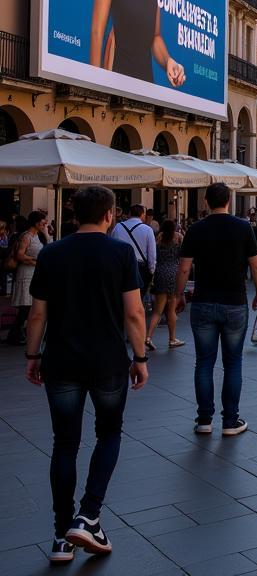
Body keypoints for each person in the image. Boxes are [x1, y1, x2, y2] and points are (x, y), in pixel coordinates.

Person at [24, 186, 148, 564]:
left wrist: (32, 354)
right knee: (109, 433)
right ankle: (89, 514)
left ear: (75, 213)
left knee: (64, 443)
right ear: (110, 215)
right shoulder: (121, 253)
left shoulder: (52, 253)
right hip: (108, 361)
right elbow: (134, 313)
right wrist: (140, 356)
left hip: (61, 360)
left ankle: (63, 535)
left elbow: (38, 313)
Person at [173, 183, 257, 436]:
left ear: (206, 201)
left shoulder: (196, 229)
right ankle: (230, 421)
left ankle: (204, 420)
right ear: (229, 200)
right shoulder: (243, 227)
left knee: (203, 362)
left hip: (203, 302)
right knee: (233, 363)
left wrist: (178, 295)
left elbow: (183, 268)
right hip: (235, 303)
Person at [6, 212, 47, 345]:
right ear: (36, 222)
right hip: (26, 273)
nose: (44, 224)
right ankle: (16, 333)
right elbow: (20, 255)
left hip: (33, 273)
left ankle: (17, 333)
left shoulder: (38, 236)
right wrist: (35, 261)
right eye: (42, 222)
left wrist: (47, 233)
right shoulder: (26, 236)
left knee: (28, 306)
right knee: (26, 307)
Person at [146, 220, 184, 350]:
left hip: (160, 273)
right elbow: (183, 256)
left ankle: (148, 337)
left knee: (158, 310)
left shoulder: (158, 238)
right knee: (171, 309)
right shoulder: (178, 237)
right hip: (173, 273)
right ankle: (172, 339)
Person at [112, 204, 157, 298]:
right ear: (142, 215)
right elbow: (152, 254)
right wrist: (151, 271)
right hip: (140, 269)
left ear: (129, 214)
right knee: (138, 299)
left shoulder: (118, 227)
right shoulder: (148, 230)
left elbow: (112, 247)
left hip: (120, 266)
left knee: (120, 298)